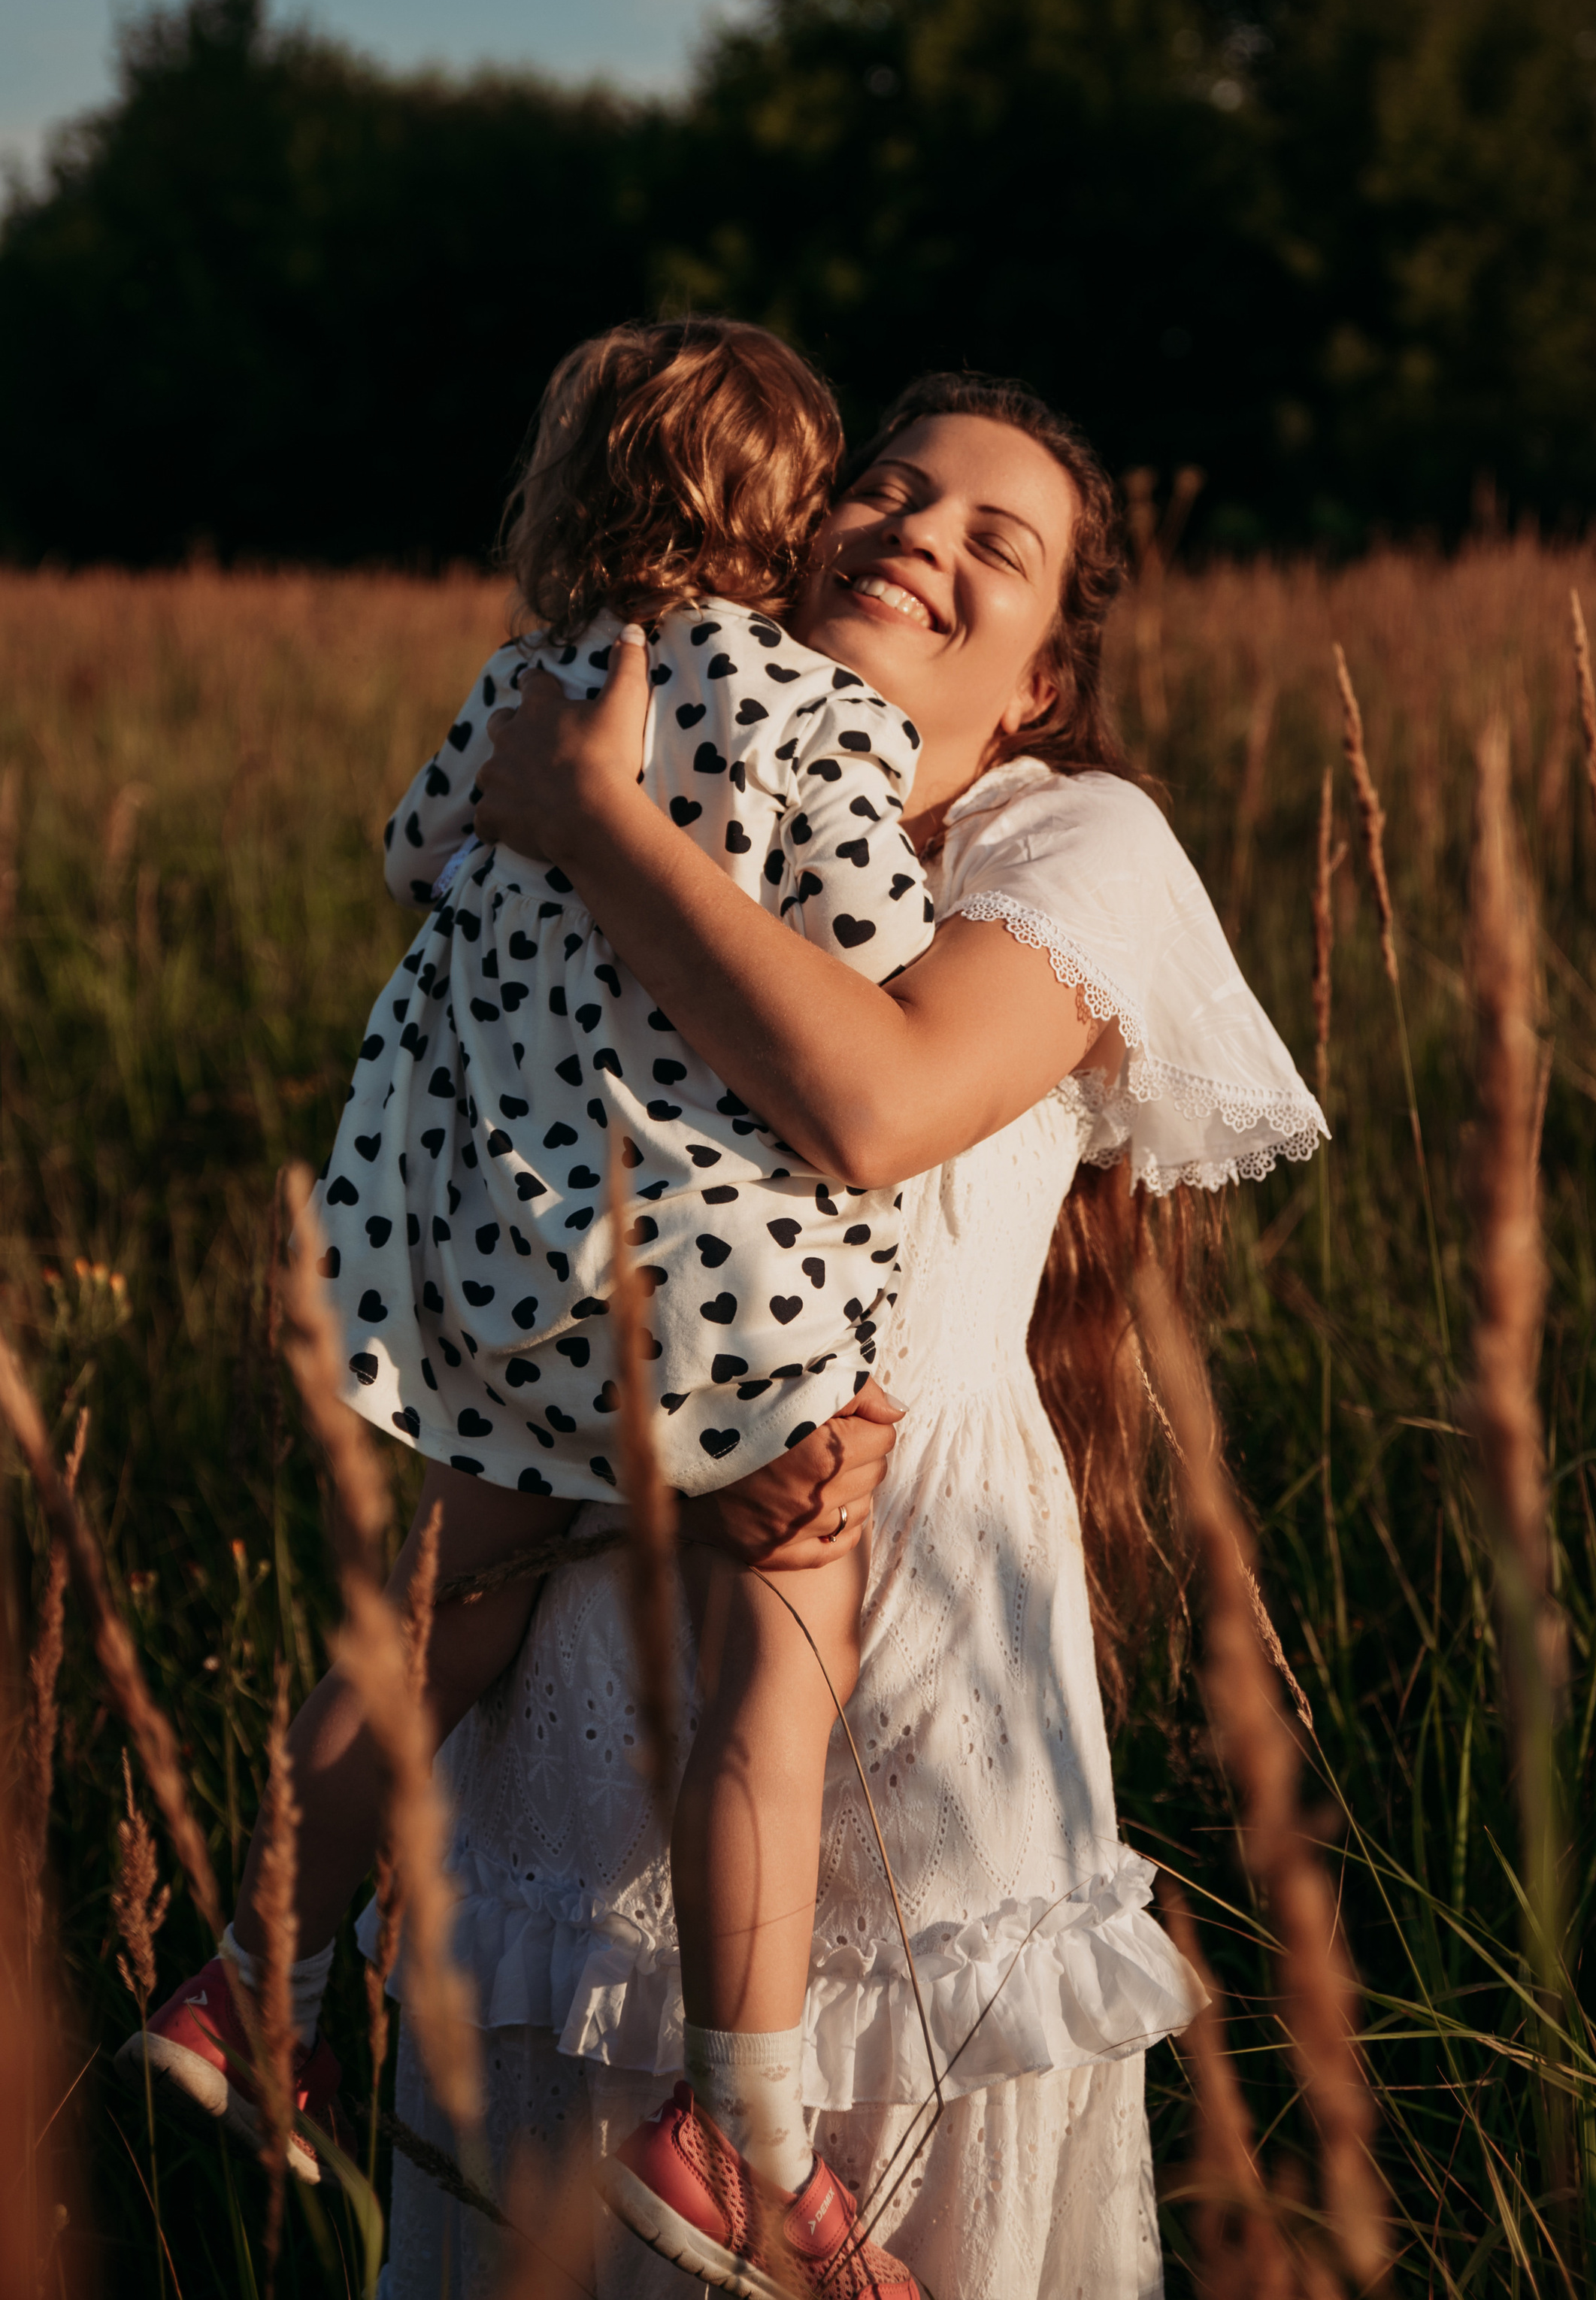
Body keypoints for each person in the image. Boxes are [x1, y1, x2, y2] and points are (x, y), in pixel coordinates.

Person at [378, 377, 1328, 2297]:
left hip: (908, 1636)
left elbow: (879, 1101)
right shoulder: (659, 759)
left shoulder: (1071, 845)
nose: (919, 535)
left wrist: (585, 822)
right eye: (886, 494)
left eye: (999, 541)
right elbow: (485, 1201)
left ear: (1045, 675)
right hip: (588, 1639)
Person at [119, 319, 949, 2290]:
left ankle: (255, 1975)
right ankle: (738, 2128)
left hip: (500, 1280)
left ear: (572, 496)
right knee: (776, 1660)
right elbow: (875, 958)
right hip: (721, 1298)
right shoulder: (811, 707)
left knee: (446, 1614)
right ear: (794, 513)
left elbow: (415, 857)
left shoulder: (519, 688)